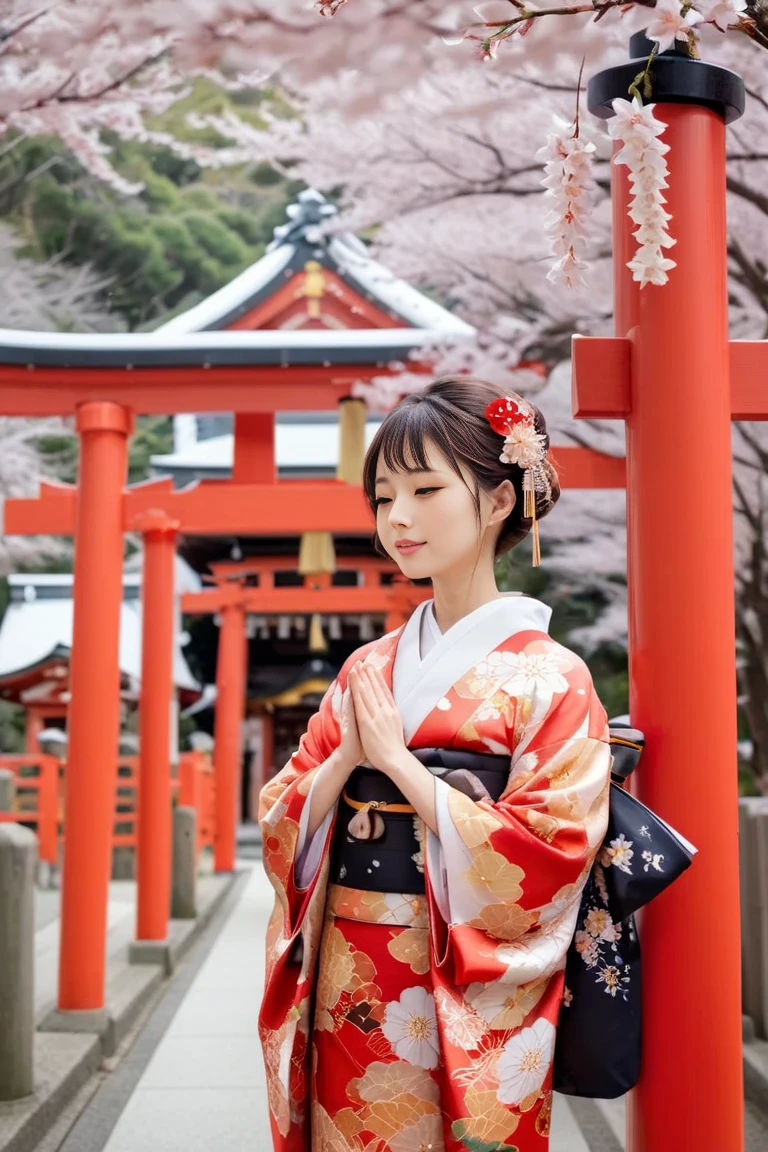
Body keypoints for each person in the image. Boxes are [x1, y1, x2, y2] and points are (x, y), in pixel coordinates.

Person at [258, 376, 612, 1151]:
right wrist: (347, 756)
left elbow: (552, 853)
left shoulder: (553, 679)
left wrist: (400, 768)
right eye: (384, 498)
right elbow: (280, 808)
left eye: (424, 489)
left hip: (455, 974)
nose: (399, 519)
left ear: (495, 502)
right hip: (348, 972)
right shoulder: (366, 668)